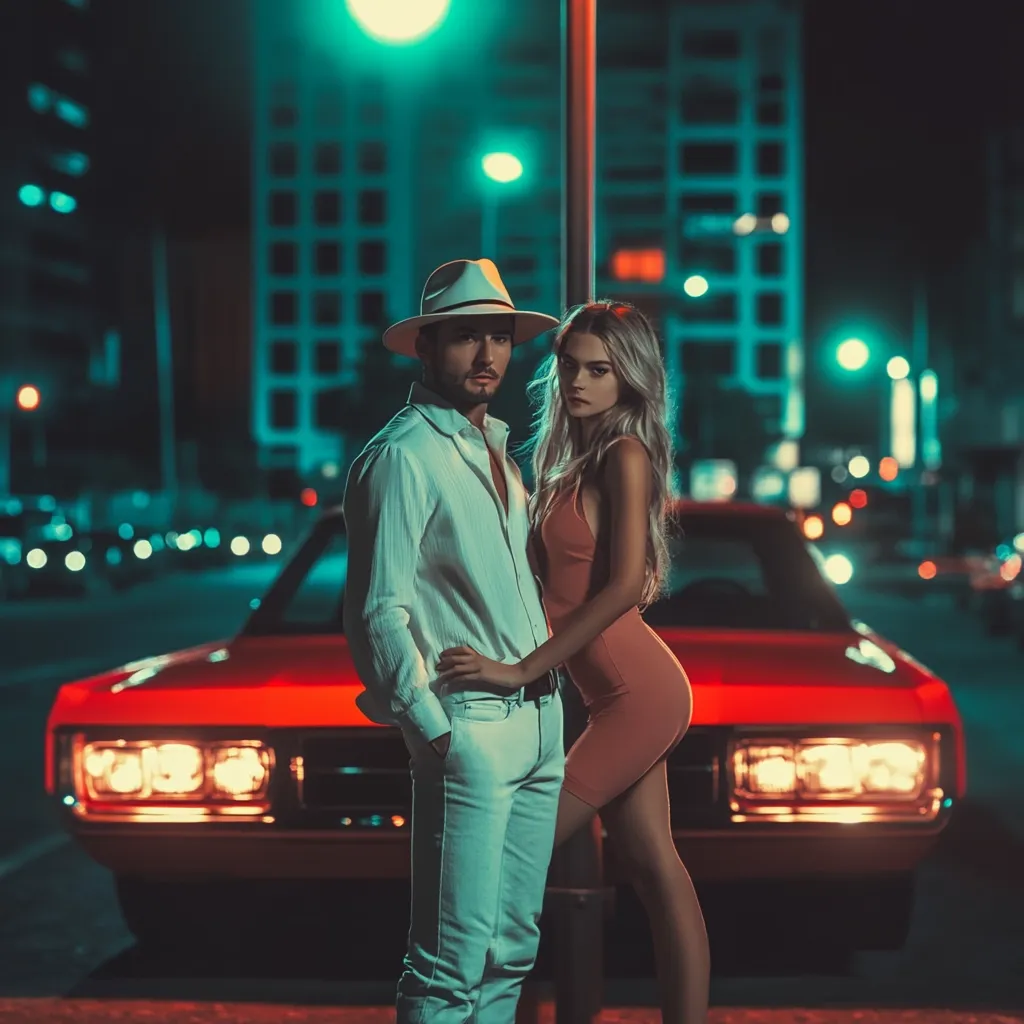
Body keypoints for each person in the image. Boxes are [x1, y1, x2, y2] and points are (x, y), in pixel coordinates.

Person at [437, 300, 711, 1023]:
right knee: (656, 869)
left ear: (631, 378)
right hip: (609, 697)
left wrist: (523, 670)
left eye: (600, 368)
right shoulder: (564, 462)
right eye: (569, 365)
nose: (581, 381)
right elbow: (542, 591)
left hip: (640, 693)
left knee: (511, 857)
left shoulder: (626, 454)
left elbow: (622, 587)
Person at [342, 258, 564, 1024]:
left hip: (540, 725)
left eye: (499, 337)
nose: (488, 355)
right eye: (467, 337)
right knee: (447, 967)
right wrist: (433, 733)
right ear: (426, 349)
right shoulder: (404, 454)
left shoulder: (497, 450)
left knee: (512, 953)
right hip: (469, 728)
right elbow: (377, 609)